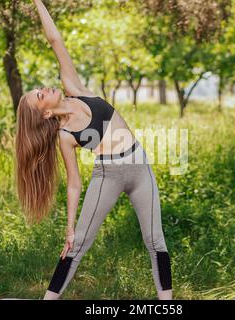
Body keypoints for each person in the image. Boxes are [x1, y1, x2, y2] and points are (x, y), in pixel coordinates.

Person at [14, 0, 172, 300]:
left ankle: (167, 305)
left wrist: (37, 2)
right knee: (78, 244)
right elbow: (74, 184)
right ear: (45, 113)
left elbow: (55, 40)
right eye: (39, 95)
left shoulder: (75, 88)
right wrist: (70, 228)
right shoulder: (65, 135)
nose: (43, 88)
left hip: (140, 167)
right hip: (108, 175)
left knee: (156, 241)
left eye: (39, 88)